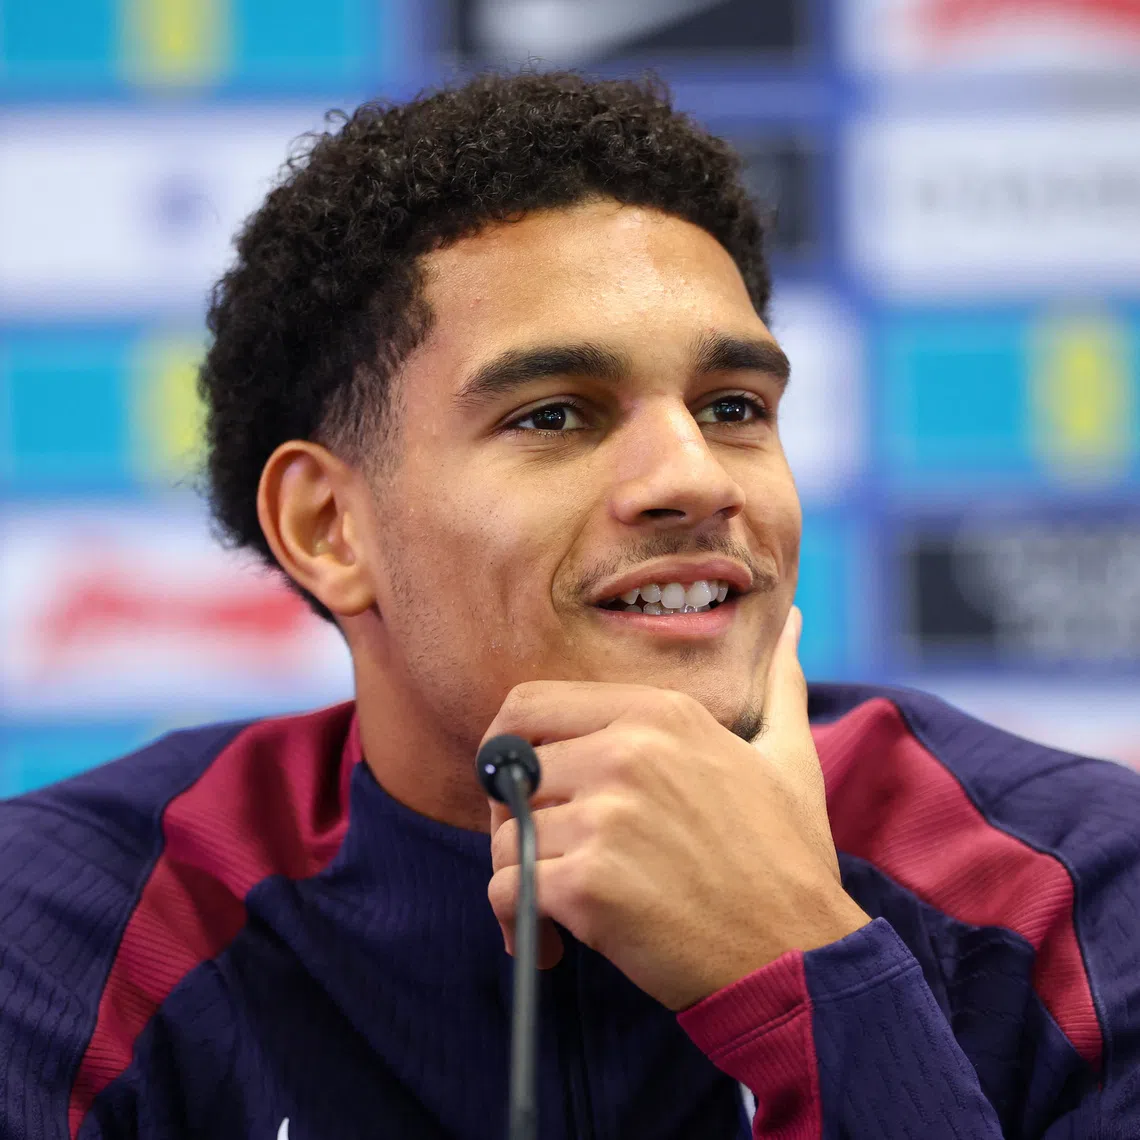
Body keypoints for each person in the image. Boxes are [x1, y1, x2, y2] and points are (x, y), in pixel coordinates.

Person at [1, 71, 1137, 1140]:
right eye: (555, 415)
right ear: (327, 528)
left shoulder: (1074, 891)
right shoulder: (71, 928)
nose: (694, 476)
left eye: (733, 404)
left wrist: (808, 971)